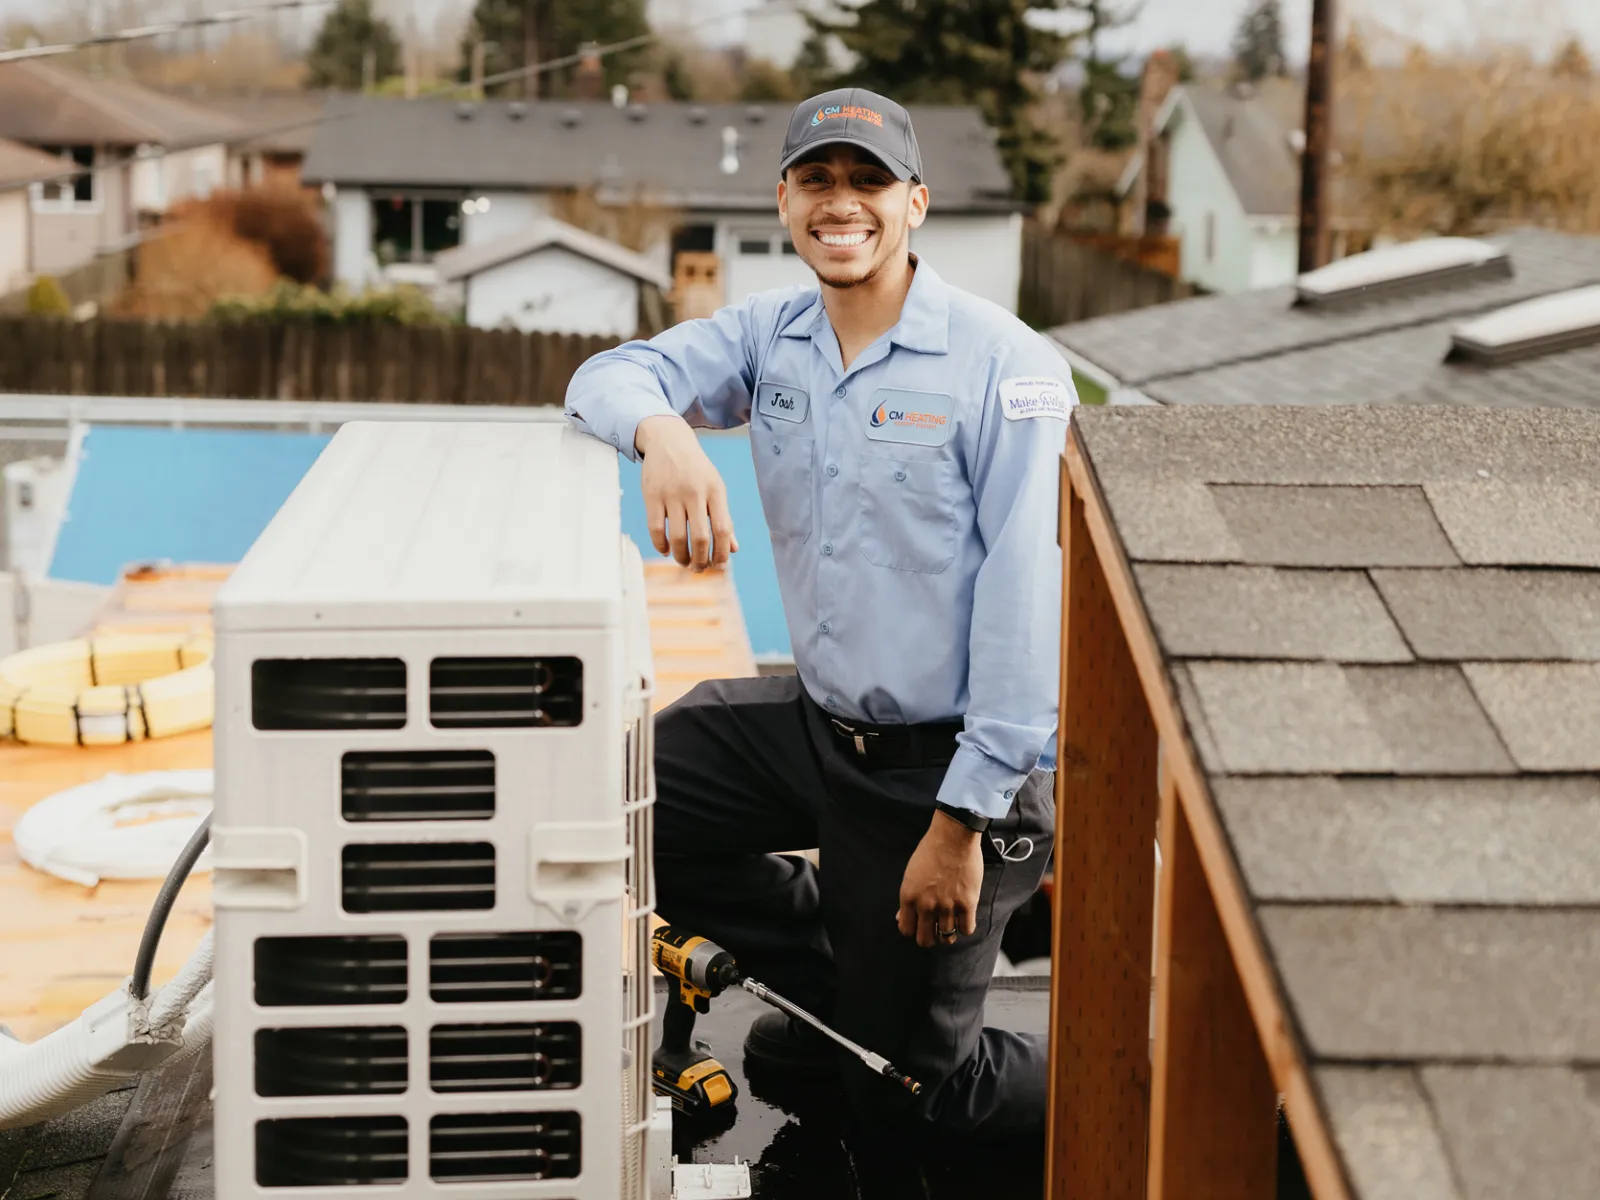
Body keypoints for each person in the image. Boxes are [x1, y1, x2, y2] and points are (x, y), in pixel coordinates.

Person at [564, 87, 1074, 1141]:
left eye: (868, 182)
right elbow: (608, 375)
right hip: (820, 729)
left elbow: (1031, 609)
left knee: (906, 1092)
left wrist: (959, 824)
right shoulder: (773, 337)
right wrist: (665, 436)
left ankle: (1139, 1078)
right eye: (819, 180)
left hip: (952, 769)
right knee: (618, 804)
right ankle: (844, 966)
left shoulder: (1005, 369)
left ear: (916, 203)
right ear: (785, 202)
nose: (842, 203)